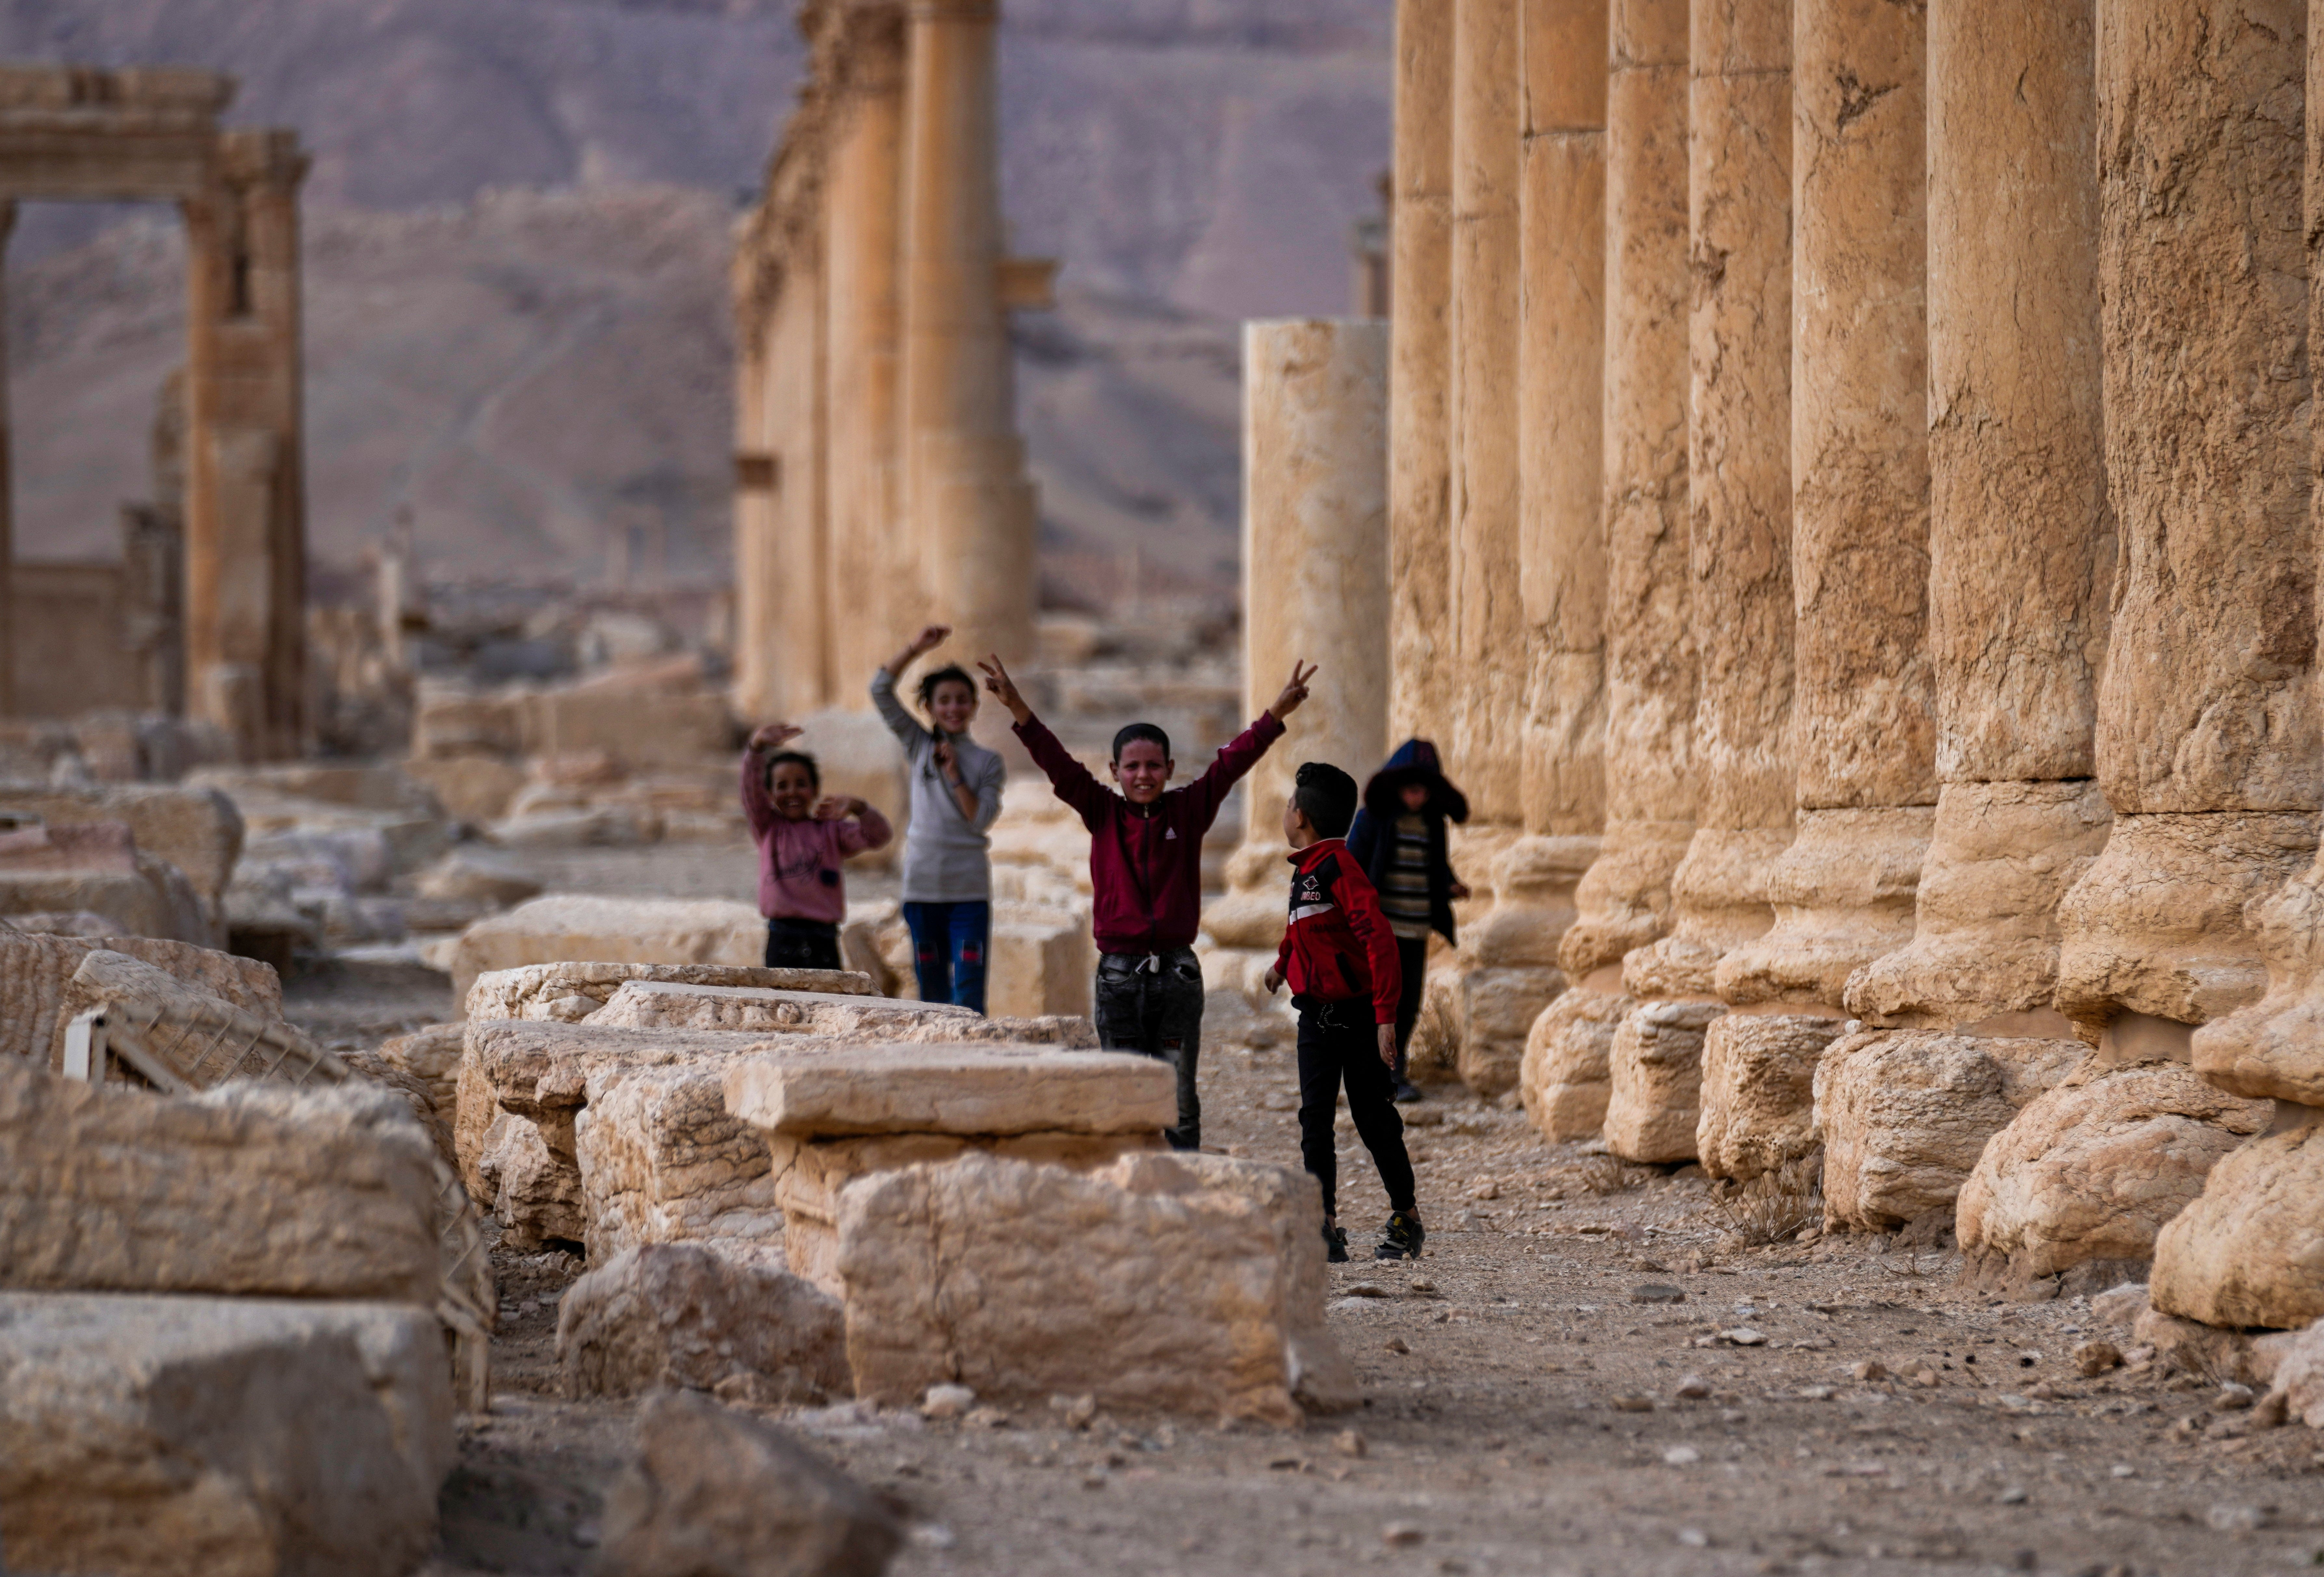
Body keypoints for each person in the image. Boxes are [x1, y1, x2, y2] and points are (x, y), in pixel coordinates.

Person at [978, 651, 1316, 1150]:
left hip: (1178, 975)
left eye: (1153, 765)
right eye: (1131, 766)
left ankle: (1182, 1181)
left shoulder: (1190, 807)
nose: (1143, 775)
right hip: (1118, 973)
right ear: (1114, 771)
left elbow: (1230, 764)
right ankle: (1129, 1184)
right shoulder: (1101, 810)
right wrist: (1017, 706)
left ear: (1170, 768)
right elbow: (1057, 763)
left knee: (1178, 1092)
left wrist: (1274, 716)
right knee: (1122, 1087)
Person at [1264, 761, 1424, 1263]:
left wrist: (1384, 1017)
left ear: (1303, 815)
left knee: (1373, 1118)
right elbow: (1302, 929)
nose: (1285, 811)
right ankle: (1323, 1222)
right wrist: (1280, 964)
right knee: (1314, 1119)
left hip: (1357, 1019)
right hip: (1314, 1019)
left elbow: (1378, 940)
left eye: (1290, 804)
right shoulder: (1305, 869)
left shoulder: (1339, 867)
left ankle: (1407, 1216)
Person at [872, 624, 1007, 1011]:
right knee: (930, 991)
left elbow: (978, 819)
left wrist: (953, 775)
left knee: (968, 989)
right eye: (944, 700)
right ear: (929, 707)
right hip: (923, 889)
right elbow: (880, 691)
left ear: (974, 707)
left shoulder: (987, 762)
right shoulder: (917, 745)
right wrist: (914, 648)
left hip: (968, 893)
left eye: (962, 700)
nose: (953, 708)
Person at [1345, 739, 1470, 1102]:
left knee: (1409, 1002)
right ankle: (1375, 1073)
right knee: (1378, 1001)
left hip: (1415, 929)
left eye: (1423, 790)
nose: (1417, 797)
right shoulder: (1373, 820)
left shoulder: (1432, 824)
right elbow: (1352, 866)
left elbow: (1436, 866)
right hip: (1380, 932)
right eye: (1411, 790)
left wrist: (1450, 885)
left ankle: (1395, 1070)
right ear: (1397, 787)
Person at [740, 723, 893, 970]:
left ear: (815, 790)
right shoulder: (768, 827)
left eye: (801, 784)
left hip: (824, 937)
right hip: (782, 934)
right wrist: (756, 747)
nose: (792, 792)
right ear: (768, 794)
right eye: (782, 786)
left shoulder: (832, 831)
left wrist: (859, 807)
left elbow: (879, 836)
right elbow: (749, 789)